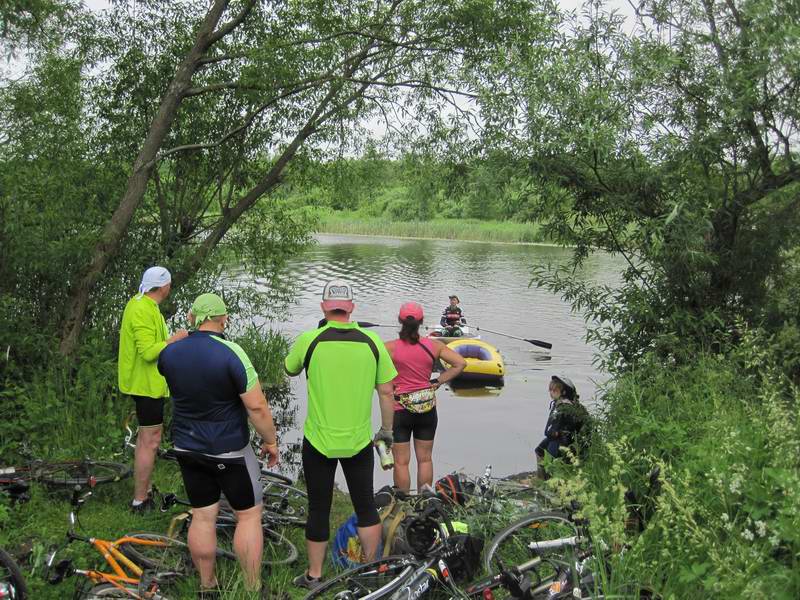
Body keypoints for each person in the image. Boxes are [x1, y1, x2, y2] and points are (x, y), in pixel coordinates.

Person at [157, 293, 279, 597]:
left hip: (186, 446)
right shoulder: (231, 352)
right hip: (230, 450)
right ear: (223, 319)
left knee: (202, 515)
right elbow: (258, 408)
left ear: (191, 318)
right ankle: (252, 589)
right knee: (248, 515)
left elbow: (168, 370)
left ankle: (207, 586)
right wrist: (271, 440)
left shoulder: (170, 354)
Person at [285, 280, 397, 590]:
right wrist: (386, 431)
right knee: (365, 506)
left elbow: (290, 368)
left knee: (319, 507)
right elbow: (387, 391)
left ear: (323, 307)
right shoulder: (372, 342)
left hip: (319, 441)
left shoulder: (310, 340)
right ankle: (372, 574)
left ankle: (315, 577)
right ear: (352, 308)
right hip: (359, 441)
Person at [118, 266, 188, 513]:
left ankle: (145, 490)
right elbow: (148, 352)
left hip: (148, 383)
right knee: (151, 439)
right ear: (165, 287)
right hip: (145, 385)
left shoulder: (146, 305)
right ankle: (139, 501)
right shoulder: (141, 309)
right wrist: (174, 340)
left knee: (146, 438)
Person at [385, 302, 466, 493]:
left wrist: (389, 386)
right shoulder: (434, 346)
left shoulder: (388, 348)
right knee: (425, 459)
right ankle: (425, 501)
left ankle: (402, 503)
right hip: (427, 409)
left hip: (400, 409)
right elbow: (460, 363)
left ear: (399, 321)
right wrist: (437, 381)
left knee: (401, 462)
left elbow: (371, 370)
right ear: (421, 322)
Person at [534, 375, 589, 479]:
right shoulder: (572, 404)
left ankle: (548, 481)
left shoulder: (563, 406)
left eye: (554, 390)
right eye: (550, 390)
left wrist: (555, 433)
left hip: (562, 441)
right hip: (564, 439)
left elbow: (551, 430)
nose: (551, 392)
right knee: (539, 450)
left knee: (549, 457)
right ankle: (542, 478)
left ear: (564, 392)